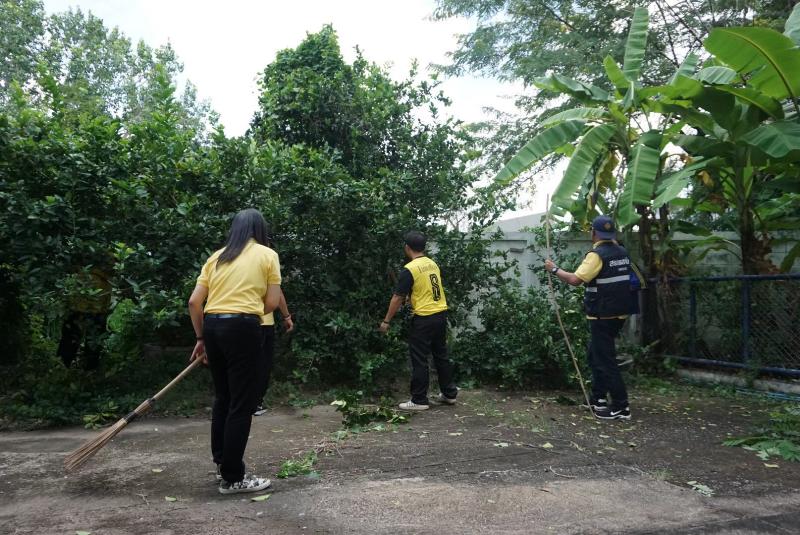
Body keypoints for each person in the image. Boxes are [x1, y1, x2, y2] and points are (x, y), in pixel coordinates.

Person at [188, 208, 281, 494]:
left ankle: (222, 465)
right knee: (242, 403)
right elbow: (272, 303)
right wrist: (249, 313)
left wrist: (201, 337)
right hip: (243, 327)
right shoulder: (267, 255)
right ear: (260, 230)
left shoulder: (216, 256)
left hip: (213, 325)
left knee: (224, 398)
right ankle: (234, 477)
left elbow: (194, 302)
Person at [544, 215, 632, 420]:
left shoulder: (597, 255)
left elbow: (575, 279)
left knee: (605, 359)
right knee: (596, 355)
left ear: (593, 233)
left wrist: (554, 269)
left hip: (602, 314)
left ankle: (621, 406)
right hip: (619, 314)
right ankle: (598, 398)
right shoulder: (622, 252)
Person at [379, 231, 458, 411]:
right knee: (441, 355)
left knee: (419, 358)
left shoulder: (410, 269)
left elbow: (397, 298)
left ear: (407, 247)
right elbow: (428, 288)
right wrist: (412, 297)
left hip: (424, 319)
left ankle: (419, 400)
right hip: (440, 314)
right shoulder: (432, 264)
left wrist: (386, 321)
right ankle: (449, 394)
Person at [57, 258, 112, 370]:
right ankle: (76, 368)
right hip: (88, 307)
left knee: (76, 341)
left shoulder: (97, 255)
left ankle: (69, 367)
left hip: (88, 307)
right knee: (77, 341)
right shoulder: (95, 254)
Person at [253, 289, 294, 416]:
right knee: (262, 365)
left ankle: (236, 403)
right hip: (263, 323)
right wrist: (287, 316)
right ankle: (255, 404)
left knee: (242, 363)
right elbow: (278, 293)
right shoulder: (267, 268)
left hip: (238, 321)